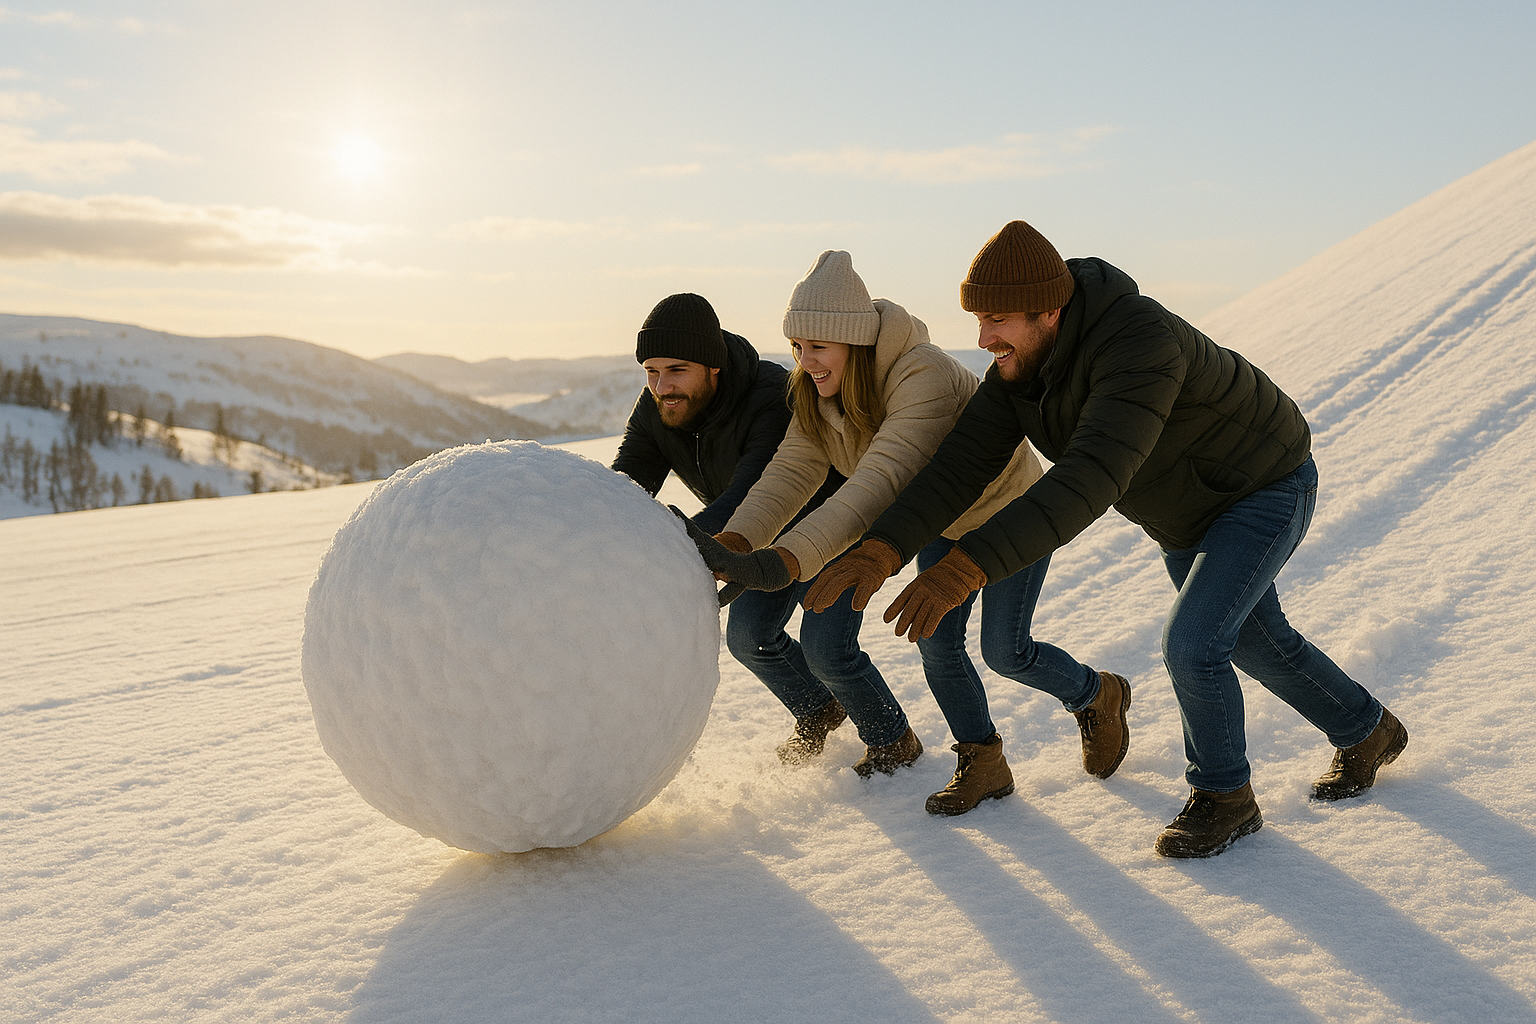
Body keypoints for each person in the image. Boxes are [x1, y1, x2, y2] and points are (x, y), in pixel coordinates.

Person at [808, 220, 1408, 857]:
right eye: (980, 320)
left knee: (1195, 642)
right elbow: (960, 465)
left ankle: (1225, 797)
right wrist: (884, 547)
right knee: (1256, 641)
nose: (984, 339)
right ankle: (1366, 731)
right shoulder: (1022, 371)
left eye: (1000, 320)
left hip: (1261, 486)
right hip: (1185, 513)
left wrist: (966, 567)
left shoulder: (1140, 344)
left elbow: (1090, 477)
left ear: (1051, 310)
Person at [686, 250, 1116, 804]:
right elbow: (791, 470)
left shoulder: (923, 376)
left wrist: (782, 562)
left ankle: (1095, 693)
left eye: (817, 346)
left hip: (1010, 515)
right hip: (938, 519)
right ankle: (983, 761)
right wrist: (736, 543)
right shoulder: (816, 391)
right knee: (936, 642)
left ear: (855, 343)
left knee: (1005, 651)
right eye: (796, 347)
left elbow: (880, 483)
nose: (805, 360)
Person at [612, 292, 842, 754]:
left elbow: (750, 492)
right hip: (744, 532)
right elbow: (626, 486)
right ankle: (819, 711)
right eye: (651, 371)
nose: (661, 386)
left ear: (712, 367)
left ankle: (890, 740)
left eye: (676, 370)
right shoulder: (659, 405)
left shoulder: (773, 396)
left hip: (818, 524)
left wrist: (669, 550)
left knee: (819, 649)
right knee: (751, 640)